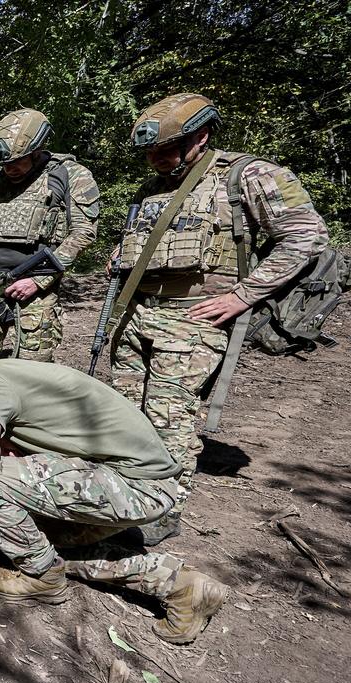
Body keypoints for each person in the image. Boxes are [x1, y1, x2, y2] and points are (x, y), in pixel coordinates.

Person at [110, 93, 330, 545]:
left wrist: (242, 295)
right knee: (124, 414)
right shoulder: (152, 188)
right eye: (149, 153)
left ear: (201, 137)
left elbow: (307, 235)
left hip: (193, 319)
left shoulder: (245, 174)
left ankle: (159, 511)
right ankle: (119, 495)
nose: (154, 159)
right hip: (136, 316)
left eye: (164, 150)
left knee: (169, 419)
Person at [0, 347, 228, 645]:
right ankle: (180, 585)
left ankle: (40, 577)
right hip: (142, 482)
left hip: (137, 488)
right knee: (43, 542)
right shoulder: (4, 373)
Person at [0, 108, 100, 362]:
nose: (9, 168)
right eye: (3, 164)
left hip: (37, 287)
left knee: (33, 369)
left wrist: (38, 281)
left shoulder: (69, 175)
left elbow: (83, 233)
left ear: (36, 150)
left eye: (16, 161)